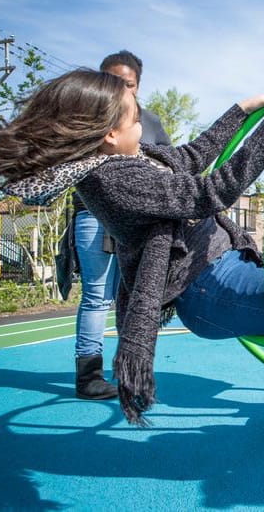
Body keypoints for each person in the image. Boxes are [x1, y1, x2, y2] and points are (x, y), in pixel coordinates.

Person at [0, 69, 264, 424]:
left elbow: (193, 155)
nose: (143, 125)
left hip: (232, 260)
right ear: (110, 135)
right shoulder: (114, 179)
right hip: (209, 288)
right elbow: (212, 190)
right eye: (137, 119)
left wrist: (241, 109)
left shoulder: (137, 157)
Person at [71, 50, 170, 401]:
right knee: (97, 296)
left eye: (126, 83)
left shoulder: (150, 123)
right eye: (111, 81)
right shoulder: (87, 121)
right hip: (94, 216)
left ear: (138, 86)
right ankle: (89, 375)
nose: (119, 88)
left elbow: (173, 167)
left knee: (129, 294)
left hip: (136, 221)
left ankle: (127, 369)